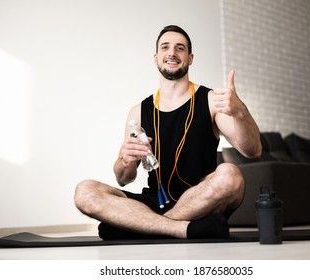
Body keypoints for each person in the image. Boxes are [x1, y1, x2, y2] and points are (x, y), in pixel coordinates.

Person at [74, 25, 261, 239]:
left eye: (179, 48)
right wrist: (125, 160)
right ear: (156, 57)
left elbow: (253, 150)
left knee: (231, 176)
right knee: (85, 191)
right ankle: (176, 228)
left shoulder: (211, 101)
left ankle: (142, 227)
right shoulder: (138, 112)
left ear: (190, 58)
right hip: (154, 202)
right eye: (165, 47)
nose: (172, 53)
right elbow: (123, 179)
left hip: (199, 200)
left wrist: (239, 111)